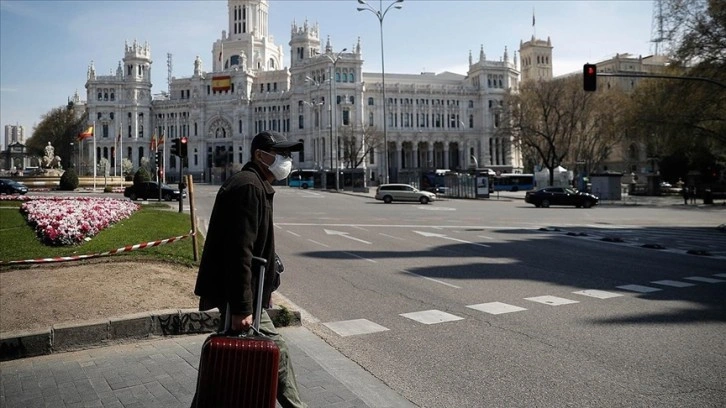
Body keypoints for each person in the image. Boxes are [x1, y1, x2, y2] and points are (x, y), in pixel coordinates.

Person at [193, 131, 307, 408]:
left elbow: (256, 247)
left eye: (288, 155)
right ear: (260, 155)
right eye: (281, 154)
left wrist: (265, 289)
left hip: (244, 293)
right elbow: (239, 251)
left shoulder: (254, 183)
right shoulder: (249, 187)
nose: (287, 160)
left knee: (223, 362)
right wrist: (244, 306)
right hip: (239, 296)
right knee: (276, 351)